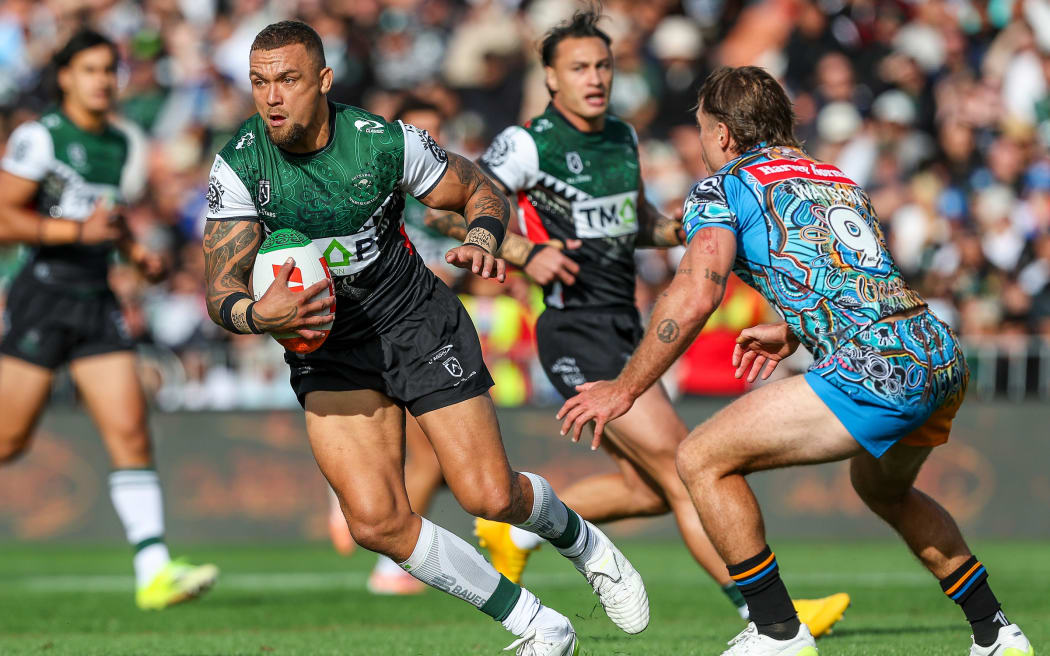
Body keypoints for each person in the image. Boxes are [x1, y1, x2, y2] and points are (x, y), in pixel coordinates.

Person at [202, 21, 649, 655]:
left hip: (413, 319)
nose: (272, 97)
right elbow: (221, 290)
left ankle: (582, 542)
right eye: (260, 82)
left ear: (323, 82)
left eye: (288, 80)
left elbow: (479, 189)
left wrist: (484, 238)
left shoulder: (381, 142)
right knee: (375, 522)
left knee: (488, 494)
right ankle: (537, 625)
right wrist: (257, 314)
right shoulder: (241, 163)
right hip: (325, 345)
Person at [558, 66, 1035, 656]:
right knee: (883, 489)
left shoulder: (724, 185)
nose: (705, 144)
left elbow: (695, 293)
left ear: (725, 135)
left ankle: (778, 631)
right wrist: (793, 328)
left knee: (701, 458)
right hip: (938, 352)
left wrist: (624, 388)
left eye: (705, 130)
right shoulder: (834, 178)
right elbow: (859, 277)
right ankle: (996, 631)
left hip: (876, 367)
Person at [425, 9, 848, 636]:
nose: (595, 78)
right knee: (686, 466)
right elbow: (448, 211)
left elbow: (636, 222)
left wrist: (681, 229)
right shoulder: (528, 144)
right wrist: (520, 251)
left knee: (650, 489)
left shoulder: (621, 136)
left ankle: (512, 529)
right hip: (576, 332)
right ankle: (767, 613)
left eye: (602, 65)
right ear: (549, 77)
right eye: (578, 68)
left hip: (626, 325)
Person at [0, 30, 218, 610]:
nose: (102, 80)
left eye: (109, 69)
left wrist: (134, 253)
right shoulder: (39, 137)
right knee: (9, 438)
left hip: (96, 298)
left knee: (129, 431)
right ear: (66, 76)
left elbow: (109, 221)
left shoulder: (123, 142)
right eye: (90, 69)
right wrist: (76, 233)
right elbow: (3, 217)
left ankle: (154, 571)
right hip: (42, 296)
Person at [325, 98, 453, 597]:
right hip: (382, 332)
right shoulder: (373, 191)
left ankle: (350, 498)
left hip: (429, 331)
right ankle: (393, 567)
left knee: (422, 458)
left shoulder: (439, 197)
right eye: (423, 128)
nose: (430, 140)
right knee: (430, 461)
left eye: (439, 130)